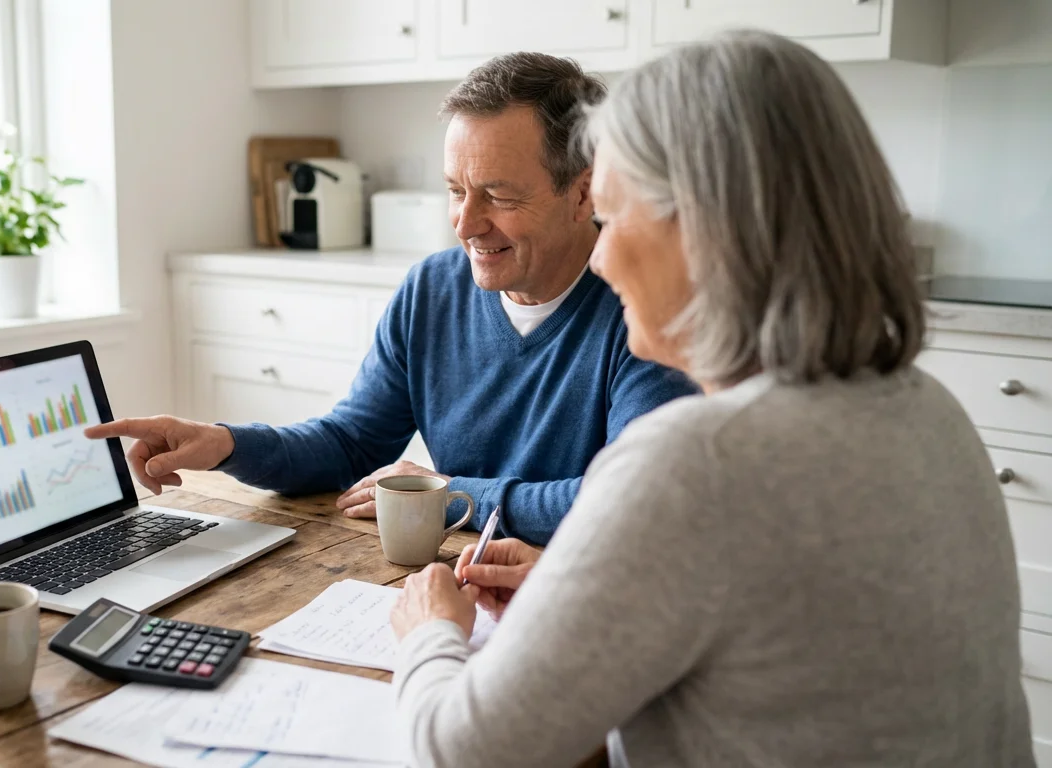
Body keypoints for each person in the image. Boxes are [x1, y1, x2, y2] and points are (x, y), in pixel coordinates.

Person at [389, 30, 1033, 768]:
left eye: (616, 214)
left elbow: (461, 753)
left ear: (709, 231)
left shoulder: (699, 460)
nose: (600, 253)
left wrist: (432, 628)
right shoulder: (927, 409)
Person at [86, 52, 695, 545]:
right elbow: (351, 444)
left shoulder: (646, 303)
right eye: (456, 190)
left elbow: (628, 501)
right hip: (457, 580)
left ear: (584, 195)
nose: (466, 223)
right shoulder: (432, 289)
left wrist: (450, 495)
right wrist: (227, 444)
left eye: (499, 196)